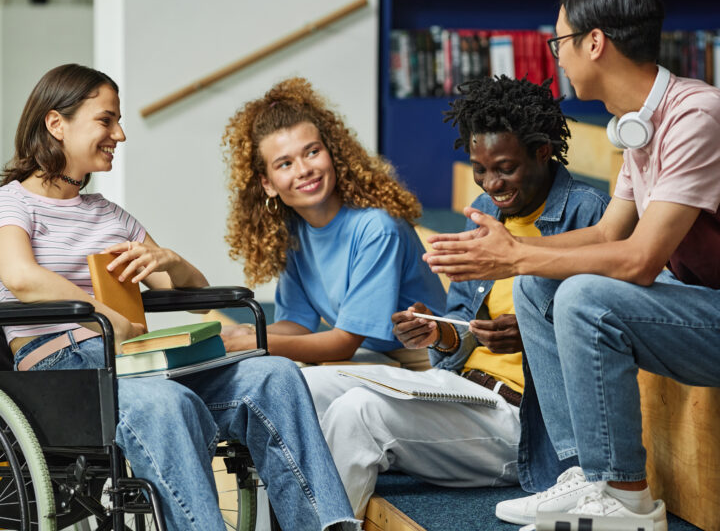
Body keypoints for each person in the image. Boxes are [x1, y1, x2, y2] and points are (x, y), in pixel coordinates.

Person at [0, 64, 359, 531]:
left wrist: (169, 261)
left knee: (275, 374)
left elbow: (189, 293)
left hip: (130, 363)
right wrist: (107, 317)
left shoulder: (111, 215)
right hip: (61, 374)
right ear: (56, 124)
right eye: (106, 120)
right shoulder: (14, 202)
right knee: (167, 404)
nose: (120, 134)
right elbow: (21, 277)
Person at [424, 0, 720, 531]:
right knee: (542, 285)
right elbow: (610, 232)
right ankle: (586, 474)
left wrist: (514, 257)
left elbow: (638, 260)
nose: (555, 54)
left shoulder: (695, 116)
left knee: (583, 295)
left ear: (594, 42)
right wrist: (515, 248)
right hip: (697, 303)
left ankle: (629, 499)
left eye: (559, 41)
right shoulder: (640, 124)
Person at [301, 75, 609, 518]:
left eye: (505, 167)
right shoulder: (484, 213)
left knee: (358, 412)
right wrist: (438, 332)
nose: (490, 184)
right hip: (461, 388)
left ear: (543, 152)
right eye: (479, 169)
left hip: (521, 420)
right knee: (303, 385)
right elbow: (461, 322)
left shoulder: (590, 215)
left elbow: (607, 332)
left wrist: (529, 335)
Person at [220, 77, 446, 364]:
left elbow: (342, 344)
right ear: (268, 184)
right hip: (375, 353)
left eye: (312, 152)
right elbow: (298, 325)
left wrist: (255, 342)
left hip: (425, 359)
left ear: (332, 154)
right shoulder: (293, 232)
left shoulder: (377, 228)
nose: (304, 170)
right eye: (285, 164)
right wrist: (243, 333)